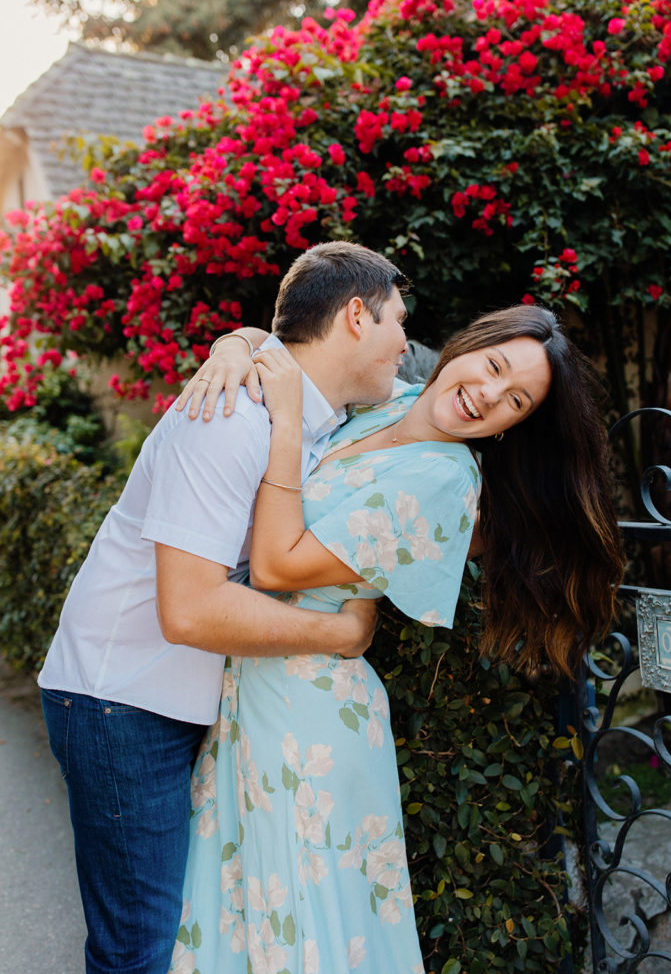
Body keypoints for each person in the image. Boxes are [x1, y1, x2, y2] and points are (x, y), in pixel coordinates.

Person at [169, 304, 625, 973]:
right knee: (243, 918)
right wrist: (235, 343)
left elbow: (275, 564)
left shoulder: (444, 478)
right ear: (469, 345)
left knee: (305, 932)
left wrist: (289, 422)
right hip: (257, 690)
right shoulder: (393, 399)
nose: (488, 395)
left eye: (516, 401)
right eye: (494, 367)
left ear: (513, 427)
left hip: (312, 718)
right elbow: (296, 337)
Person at [38, 241, 415, 974]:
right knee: (139, 949)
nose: (408, 344)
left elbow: (442, 400)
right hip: (121, 700)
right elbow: (189, 611)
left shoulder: (317, 419)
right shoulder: (227, 415)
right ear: (357, 316)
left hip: (186, 698)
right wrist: (340, 633)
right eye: (402, 321)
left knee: (183, 939)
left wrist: (240, 337)